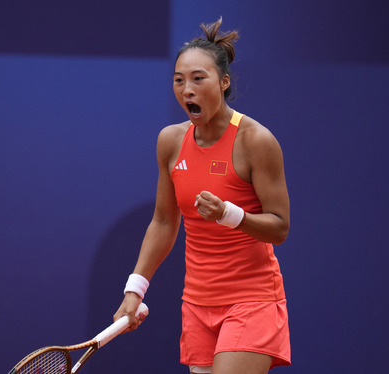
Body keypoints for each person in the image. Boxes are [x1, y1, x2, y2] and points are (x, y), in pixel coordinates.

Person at [113, 18, 291, 374]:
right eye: (179, 80)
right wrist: (135, 289)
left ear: (224, 83)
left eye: (198, 78)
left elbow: (279, 227)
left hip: (251, 300)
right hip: (196, 303)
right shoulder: (170, 142)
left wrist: (230, 214)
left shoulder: (256, 141)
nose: (186, 89)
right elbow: (164, 220)